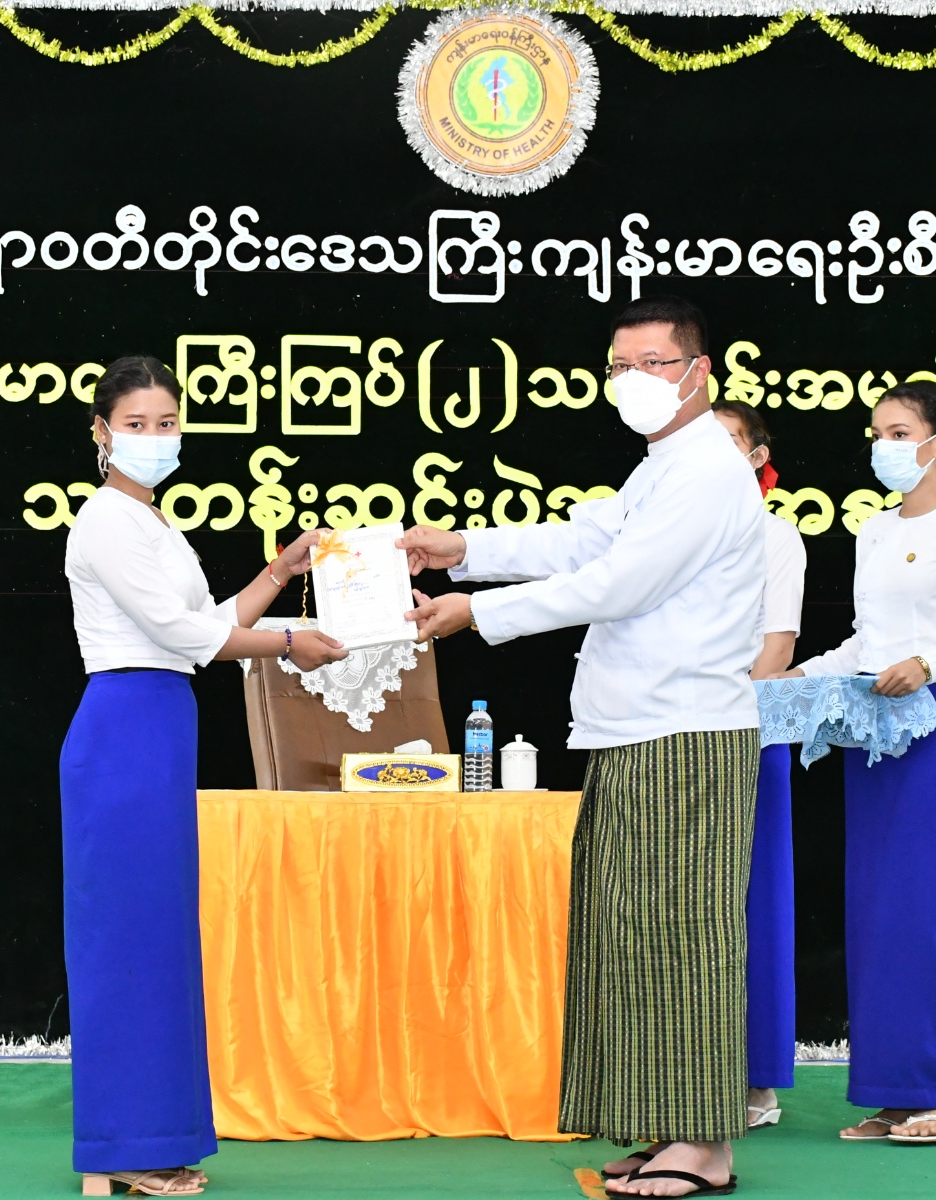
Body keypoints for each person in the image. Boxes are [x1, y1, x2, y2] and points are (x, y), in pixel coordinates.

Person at [403, 297, 765, 1199]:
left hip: (685, 731)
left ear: (699, 373)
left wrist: (477, 612)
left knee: (683, 934)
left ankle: (706, 1145)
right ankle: (666, 1127)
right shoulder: (661, 469)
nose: (634, 381)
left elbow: (618, 582)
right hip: (636, 728)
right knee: (631, 934)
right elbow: (583, 538)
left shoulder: (707, 471)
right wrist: (461, 549)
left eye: (655, 363)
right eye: (621, 366)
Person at [59, 355, 346, 1197]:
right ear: (102, 432)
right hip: (124, 728)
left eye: (166, 423)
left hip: (159, 723)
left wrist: (280, 574)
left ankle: (151, 1138)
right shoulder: (106, 521)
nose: (154, 438)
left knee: (159, 937)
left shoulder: (153, 522)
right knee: (127, 939)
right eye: (136, 425)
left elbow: (204, 623)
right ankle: (119, 1149)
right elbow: (184, 636)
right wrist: (290, 642)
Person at [781, 381, 936, 1146]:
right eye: (877, 433)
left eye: (899, 432)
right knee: (872, 907)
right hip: (869, 729)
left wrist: (929, 664)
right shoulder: (872, 532)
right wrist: (800, 674)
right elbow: (865, 640)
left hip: (932, 725)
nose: (883, 445)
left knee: (909, 904)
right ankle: (892, 1093)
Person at [712, 399, 805, 1130]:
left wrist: (719, 714)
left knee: (753, 905)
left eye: (728, 443)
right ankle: (686, 1073)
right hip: (670, 736)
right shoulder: (669, 532)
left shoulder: (777, 538)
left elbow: (776, 651)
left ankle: (755, 1080)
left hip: (745, 733)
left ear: (756, 457)